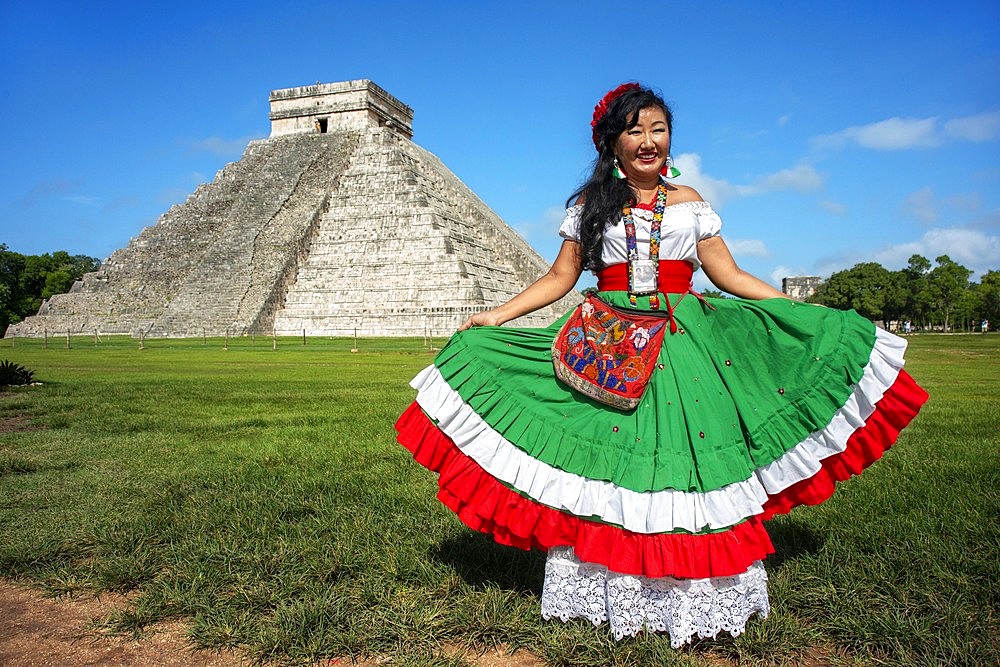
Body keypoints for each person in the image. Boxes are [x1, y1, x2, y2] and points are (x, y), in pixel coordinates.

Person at [394, 83, 928, 647]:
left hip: (683, 341)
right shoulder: (587, 209)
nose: (648, 142)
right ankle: (609, 583)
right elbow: (559, 279)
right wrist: (496, 317)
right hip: (609, 340)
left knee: (687, 459)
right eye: (634, 131)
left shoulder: (690, 201)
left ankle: (691, 591)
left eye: (658, 130)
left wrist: (792, 308)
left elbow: (728, 275)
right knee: (616, 460)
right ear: (612, 143)